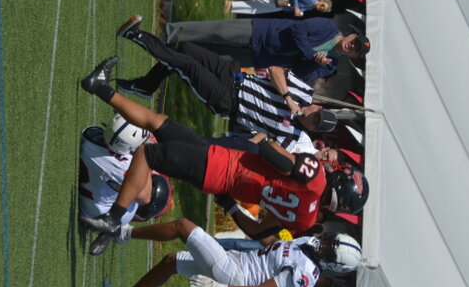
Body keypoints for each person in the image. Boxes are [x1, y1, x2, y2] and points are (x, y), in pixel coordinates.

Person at [78, 56, 368, 243]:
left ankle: (113, 219)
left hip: (223, 165)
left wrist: (265, 141)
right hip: (223, 174)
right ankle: (98, 87)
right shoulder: (305, 220)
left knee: (146, 154)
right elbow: (257, 231)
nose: (335, 167)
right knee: (159, 123)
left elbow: (274, 157)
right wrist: (230, 205)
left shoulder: (315, 176)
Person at [115, 16, 338, 156]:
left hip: (228, 101)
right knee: (186, 49)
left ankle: (136, 35)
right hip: (235, 76)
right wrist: (288, 97)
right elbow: (275, 69)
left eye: (314, 123)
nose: (310, 118)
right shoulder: (304, 92)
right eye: (316, 115)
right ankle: (146, 86)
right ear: (317, 107)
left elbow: (270, 149)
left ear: (312, 130)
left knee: (186, 65)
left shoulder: (292, 135)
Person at [97, 218, 360, 287]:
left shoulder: (307, 274)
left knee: (183, 226)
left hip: (235, 277)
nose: (325, 243)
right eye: (330, 241)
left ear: (332, 263)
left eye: (330, 248)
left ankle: (121, 232)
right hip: (235, 262)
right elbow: (271, 244)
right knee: (171, 263)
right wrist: (236, 210)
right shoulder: (308, 243)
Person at [164, 16, 371, 83]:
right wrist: (310, 53)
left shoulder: (330, 66)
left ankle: (173, 51)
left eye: (355, 49)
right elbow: (298, 29)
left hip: (260, 58)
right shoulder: (327, 27)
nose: (351, 46)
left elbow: (301, 74)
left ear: (353, 56)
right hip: (262, 32)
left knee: (213, 57)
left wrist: (314, 63)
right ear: (351, 35)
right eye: (354, 41)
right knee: (216, 31)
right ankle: (169, 34)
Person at [79, 114, 172, 254]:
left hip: (95, 185)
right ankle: (114, 230)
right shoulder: (123, 166)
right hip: (95, 214)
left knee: (124, 185)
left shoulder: (90, 134)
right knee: (153, 195)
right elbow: (145, 197)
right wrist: (144, 154)